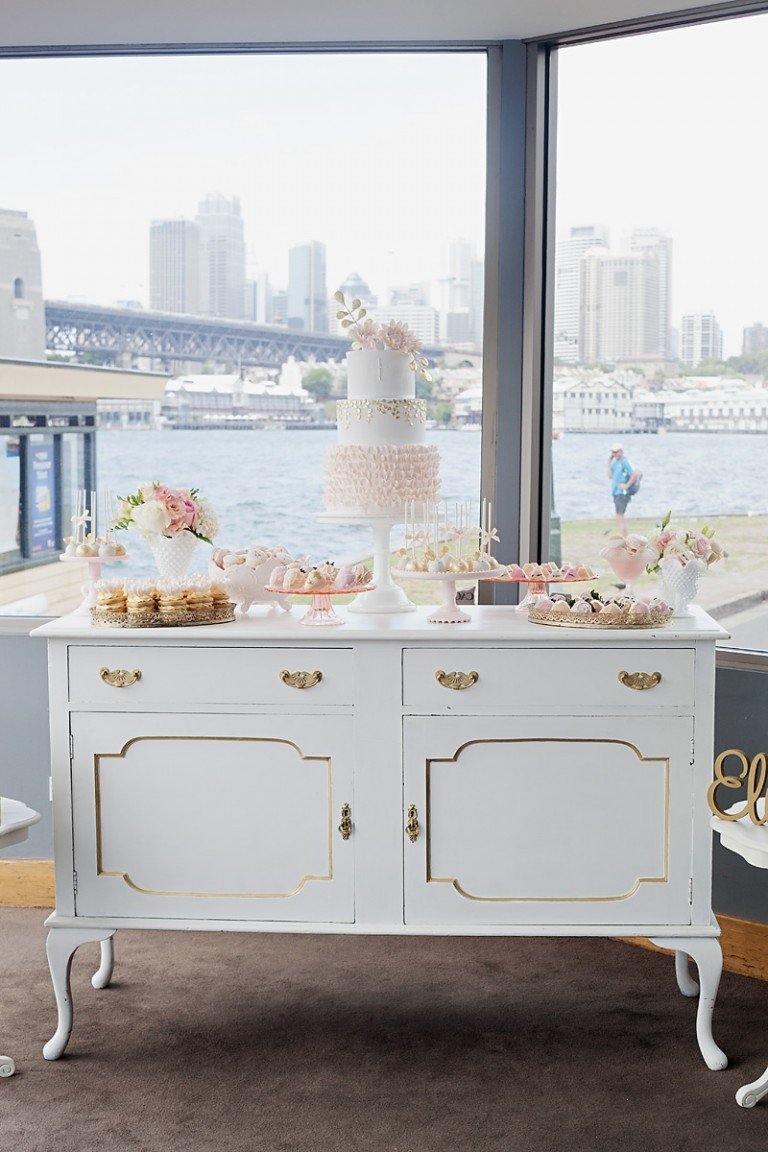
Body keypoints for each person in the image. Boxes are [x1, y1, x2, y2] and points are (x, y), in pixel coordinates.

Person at [608, 443, 640, 537]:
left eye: (616, 452)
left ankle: (624, 538)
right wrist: (609, 462)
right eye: (613, 452)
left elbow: (635, 473)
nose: (614, 454)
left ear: (621, 451)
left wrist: (627, 485)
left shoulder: (624, 462)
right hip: (616, 492)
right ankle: (623, 537)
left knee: (620, 517)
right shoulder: (615, 462)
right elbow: (610, 475)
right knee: (618, 517)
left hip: (622, 493)